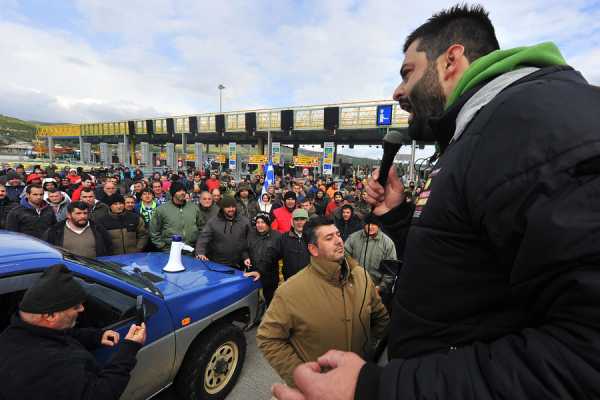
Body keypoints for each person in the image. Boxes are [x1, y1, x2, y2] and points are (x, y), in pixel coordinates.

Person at [272, 5, 600, 400]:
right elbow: (464, 266)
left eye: (407, 72)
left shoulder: (537, 123)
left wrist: (378, 390)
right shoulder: (480, 135)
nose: (397, 92)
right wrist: (398, 215)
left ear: (451, 61)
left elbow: (585, 357)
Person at [257, 216, 389, 386]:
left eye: (338, 234)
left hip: (358, 380)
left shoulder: (362, 276)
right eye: (329, 238)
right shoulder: (290, 291)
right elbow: (268, 339)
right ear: (313, 249)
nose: (339, 241)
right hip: (317, 388)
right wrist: (303, 377)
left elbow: (381, 318)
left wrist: (369, 350)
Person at [0, 264, 146, 400]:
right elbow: (101, 393)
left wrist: (95, 337)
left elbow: (56, 336)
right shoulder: (52, 366)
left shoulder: (15, 333)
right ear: (50, 316)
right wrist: (129, 349)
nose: (82, 309)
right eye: (75, 306)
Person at [344, 214, 397, 296]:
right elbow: (344, 258)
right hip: (353, 286)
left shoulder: (387, 243)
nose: (370, 227)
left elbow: (390, 269)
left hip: (375, 289)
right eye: (367, 224)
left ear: (379, 226)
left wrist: (381, 287)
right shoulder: (353, 238)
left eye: (374, 224)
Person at [195, 195, 250, 270]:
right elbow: (203, 238)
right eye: (228, 207)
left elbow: (250, 239)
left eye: (233, 206)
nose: (231, 209)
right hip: (219, 263)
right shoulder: (213, 222)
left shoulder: (244, 221)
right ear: (222, 208)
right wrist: (200, 253)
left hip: (238, 263)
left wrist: (246, 257)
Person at [149, 182, 205, 251]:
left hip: (191, 250)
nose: (182, 193)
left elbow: (201, 227)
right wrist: (162, 246)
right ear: (173, 193)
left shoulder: (194, 208)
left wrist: (198, 245)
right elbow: (154, 231)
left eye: (184, 190)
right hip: (170, 251)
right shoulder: (162, 209)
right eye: (179, 191)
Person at [43, 201, 112, 258]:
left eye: (85, 213)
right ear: (69, 215)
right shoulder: (55, 231)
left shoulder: (98, 229)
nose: (83, 216)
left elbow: (108, 248)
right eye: (78, 213)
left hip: (94, 270)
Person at [246, 212, 281, 306]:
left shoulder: (277, 236)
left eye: (263, 222)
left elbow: (275, 256)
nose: (260, 225)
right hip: (253, 274)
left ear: (268, 224)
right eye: (258, 222)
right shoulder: (251, 235)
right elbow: (244, 249)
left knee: (270, 299)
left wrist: (261, 271)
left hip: (270, 276)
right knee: (254, 300)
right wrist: (245, 257)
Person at [270, 208, 311, 281]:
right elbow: (272, 257)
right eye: (296, 219)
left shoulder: (313, 237)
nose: (299, 222)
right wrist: (259, 271)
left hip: (308, 279)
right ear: (292, 222)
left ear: (307, 221)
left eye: (302, 219)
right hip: (290, 279)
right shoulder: (284, 238)